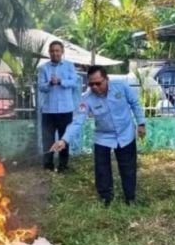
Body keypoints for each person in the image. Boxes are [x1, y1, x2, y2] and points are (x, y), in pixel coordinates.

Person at [51, 65, 146, 206]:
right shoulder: (86, 98)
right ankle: (106, 198)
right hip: (103, 137)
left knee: (128, 167)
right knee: (102, 170)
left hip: (125, 133)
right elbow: (77, 122)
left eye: (98, 83)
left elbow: (135, 103)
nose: (95, 87)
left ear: (106, 79)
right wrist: (64, 140)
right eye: (91, 84)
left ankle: (130, 198)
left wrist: (141, 123)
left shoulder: (121, 86)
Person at [38, 41, 79, 172]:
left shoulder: (69, 66)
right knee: (47, 138)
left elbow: (74, 82)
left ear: (62, 52)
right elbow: (41, 87)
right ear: (49, 53)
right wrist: (49, 83)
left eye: (57, 51)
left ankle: (63, 166)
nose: (55, 53)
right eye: (52, 51)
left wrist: (61, 81)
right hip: (48, 110)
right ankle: (48, 165)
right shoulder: (43, 68)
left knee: (64, 138)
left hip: (65, 110)